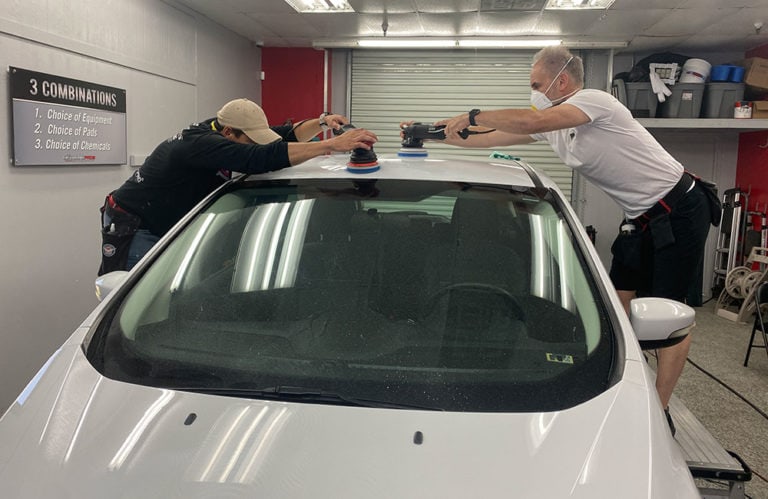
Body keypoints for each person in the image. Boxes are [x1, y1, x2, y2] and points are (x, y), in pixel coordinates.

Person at [434, 46, 716, 435]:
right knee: (620, 306)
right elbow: (493, 135)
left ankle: (658, 410)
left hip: (680, 208)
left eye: (536, 84)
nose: (532, 93)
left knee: (668, 313)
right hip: (640, 218)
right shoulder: (555, 129)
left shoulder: (595, 102)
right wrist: (438, 133)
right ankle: (628, 379)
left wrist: (472, 114)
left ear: (560, 80)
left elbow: (527, 122)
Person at [99, 98, 377, 275]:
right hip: (135, 225)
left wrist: (322, 123)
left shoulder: (222, 130)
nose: (255, 143)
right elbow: (259, 158)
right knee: (137, 297)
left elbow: (279, 137)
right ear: (228, 133)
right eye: (249, 139)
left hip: (167, 221)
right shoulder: (199, 145)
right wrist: (331, 145)